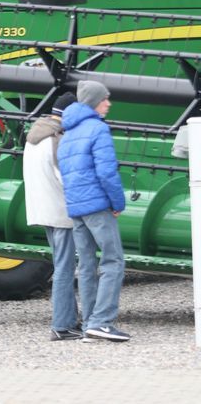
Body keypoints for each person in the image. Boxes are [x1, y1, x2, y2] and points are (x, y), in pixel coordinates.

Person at [57, 80, 129, 343]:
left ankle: (89, 324)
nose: (109, 103)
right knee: (113, 261)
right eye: (105, 98)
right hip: (98, 205)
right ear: (94, 101)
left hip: (76, 207)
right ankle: (102, 322)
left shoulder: (68, 133)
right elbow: (107, 172)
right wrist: (117, 204)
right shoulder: (98, 129)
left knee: (87, 265)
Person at [23, 92, 80, 341]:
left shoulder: (35, 135)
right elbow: (64, 178)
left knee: (61, 265)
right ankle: (62, 325)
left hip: (41, 208)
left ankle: (69, 319)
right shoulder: (57, 138)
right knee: (65, 269)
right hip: (60, 212)